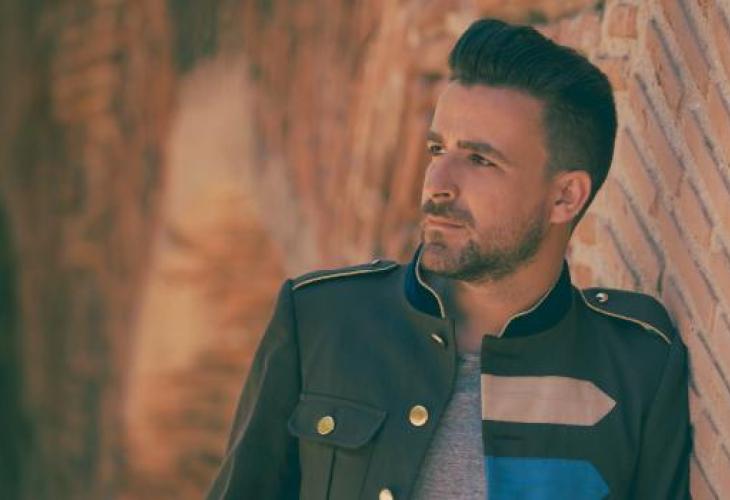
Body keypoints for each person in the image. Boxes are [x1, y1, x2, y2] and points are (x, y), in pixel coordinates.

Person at [206, 18, 691, 500]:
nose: (437, 182)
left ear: (565, 197)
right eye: (437, 148)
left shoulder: (636, 365)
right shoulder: (323, 319)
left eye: (480, 160)